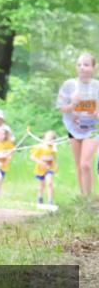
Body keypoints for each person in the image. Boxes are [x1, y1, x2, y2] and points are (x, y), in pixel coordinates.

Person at [56, 52, 99, 198]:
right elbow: (61, 108)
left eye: (86, 65)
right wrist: (73, 104)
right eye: (79, 65)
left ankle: (89, 198)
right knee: (79, 166)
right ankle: (83, 198)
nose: (82, 68)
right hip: (73, 129)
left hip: (93, 130)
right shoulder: (69, 85)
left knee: (86, 164)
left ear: (93, 67)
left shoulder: (97, 87)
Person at [30, 130, 58, 207]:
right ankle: (40, 197)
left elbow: (54, 157)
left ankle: (50, 200)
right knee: (41, 185)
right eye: (48, 137)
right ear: (44, 138)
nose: (50, 139)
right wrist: (41, 162)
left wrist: (55, 165)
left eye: (52, 138)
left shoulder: (53, 148)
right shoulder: (40, 147)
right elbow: (32, 157)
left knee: (49, 183)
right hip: (40, 169)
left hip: (49, 169)